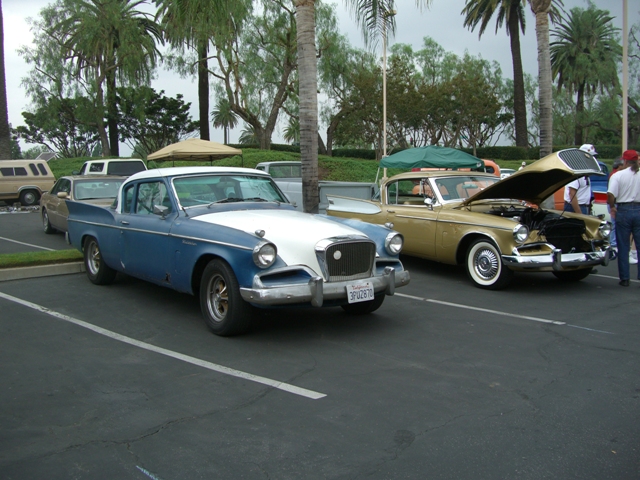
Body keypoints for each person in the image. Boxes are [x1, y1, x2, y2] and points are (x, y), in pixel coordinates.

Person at [607, 149, 640, 286]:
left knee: (623, 245)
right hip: (638, 208)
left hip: (623, 209)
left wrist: (612, 207)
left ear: (625, 161)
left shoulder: (618, 175)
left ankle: (625, 278)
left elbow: (611, 194)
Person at [563, 144, 598, 215]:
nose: (592, 159)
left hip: (583, 206)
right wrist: (579, 213)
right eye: (589, 156)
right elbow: (572, 194)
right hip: (574, 207)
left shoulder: (584, 170)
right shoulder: (577, 171)